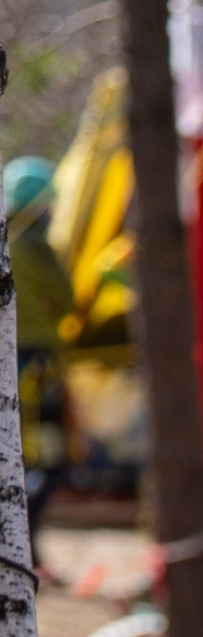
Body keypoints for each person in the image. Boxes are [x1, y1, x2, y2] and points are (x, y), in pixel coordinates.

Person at [5, 159, 79, 548]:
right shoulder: (34, 246)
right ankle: (25, 542)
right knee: (45, 459)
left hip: (12, 363)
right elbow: (66, 299)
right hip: (36, 366)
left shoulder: (6, 243)